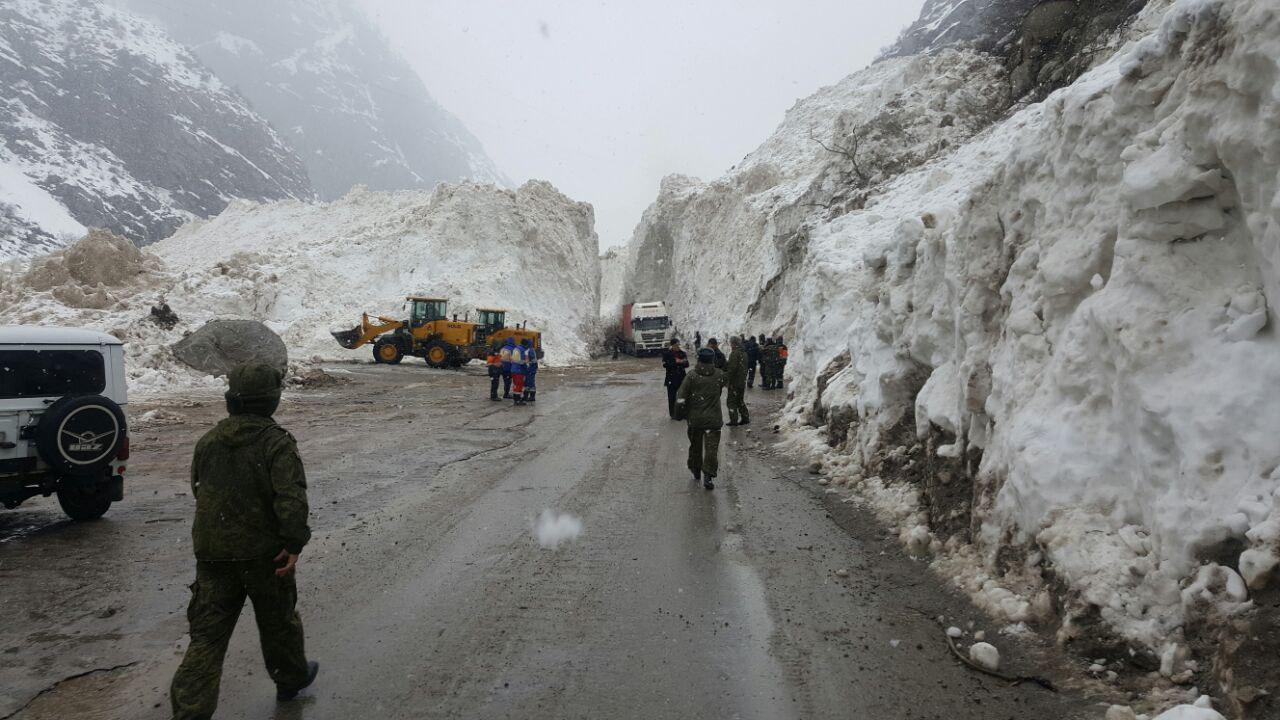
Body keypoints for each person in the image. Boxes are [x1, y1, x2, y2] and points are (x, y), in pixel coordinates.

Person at [169, 363, 319, 719]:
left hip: (213, 554)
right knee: (278, 621)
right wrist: (293, 543)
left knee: (206, 637)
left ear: (231, 399)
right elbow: (291, 500)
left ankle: (190, 711)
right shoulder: (276, 443)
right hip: (264, 555)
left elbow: (198, 489)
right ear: (272, 400)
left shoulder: (209, 441)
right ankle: (290, 679)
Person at [675, 348, 727, 490]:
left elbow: (681, 396)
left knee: (695, 446)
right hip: (713, 420)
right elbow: (729, 379)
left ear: (698, 359)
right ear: (712, 360)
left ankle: (695, 469)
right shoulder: (719, 375)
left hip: (695, 420)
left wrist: (679, 414)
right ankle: (708, 476)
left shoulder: (691, 376)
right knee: (711, 449)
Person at [661, 339, 689, 419]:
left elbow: (687, 364)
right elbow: (665, 365)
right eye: (676, 345)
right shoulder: (667, 354)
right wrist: (675, 362)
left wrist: (681, 362)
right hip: (671, 378)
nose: (677, 347)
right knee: (672, 397)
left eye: (678, 345)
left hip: (681, 378)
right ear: (672, 346)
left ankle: (683, 413)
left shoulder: (682, 353)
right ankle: (673, 413)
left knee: (682, 396)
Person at [725, 336, 750, 426]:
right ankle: (745, 417)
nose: (730, 345)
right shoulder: (744, 353)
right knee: (740, 400)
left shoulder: (734, 353)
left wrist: (728, 381)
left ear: (734, 344)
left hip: (735, 382)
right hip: (741, 381)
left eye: (731, 343)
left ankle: (733, 420)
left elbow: (732, 369)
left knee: (731, 401)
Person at [510, 340, 528, 406]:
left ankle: (515, 399)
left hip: (513, 369)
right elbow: (523, 362)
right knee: (519, 385)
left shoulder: (516, 348)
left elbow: (512, 359)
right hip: (519, 370)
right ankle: (517, 400)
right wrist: (526, 369)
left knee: (515, 384)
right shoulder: (522, 350)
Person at [523, 339, 538, 403]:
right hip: (531, 369)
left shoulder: (530, 350)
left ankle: (530, 396)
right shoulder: (531, 349)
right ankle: (529, 396)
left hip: (530, 369)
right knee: (529, 382)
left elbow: (532, 360)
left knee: (529, 382)